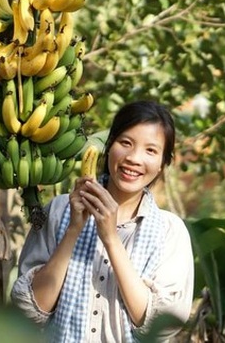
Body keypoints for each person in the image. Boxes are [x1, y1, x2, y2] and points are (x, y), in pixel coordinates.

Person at [11, 100, 195, 342]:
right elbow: (29, 311)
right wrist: (73, 229)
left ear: (162, 164)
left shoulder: (170, 232)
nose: (134, 158)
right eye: (125, 143)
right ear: (109, 146)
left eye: (151, 150)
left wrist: (110, 237)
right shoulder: (58, 210)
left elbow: (159, 327)